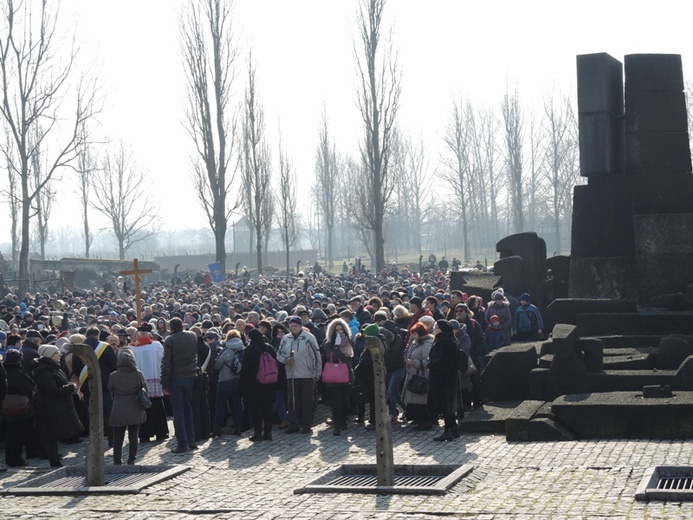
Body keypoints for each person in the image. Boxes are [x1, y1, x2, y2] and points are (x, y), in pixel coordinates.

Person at [32, 344, 83, 467]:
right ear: (50, 356)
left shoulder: (53, 367)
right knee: (51, 435)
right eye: (56, 353)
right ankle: (54, 461)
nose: (59, 355)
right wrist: (70, 387)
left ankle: (55, 459)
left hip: (58, 406)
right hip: (51, 407)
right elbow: (52, 390)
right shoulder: (45, 371)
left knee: (54, 435)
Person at [276, 316, 322, 434]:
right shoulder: (286, 338)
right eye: (291, 326)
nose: (293, 328)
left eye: (295, 326)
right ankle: (293, 424)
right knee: (292, 400)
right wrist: (286, 360)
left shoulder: (309, 338)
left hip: (306, 373)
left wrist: (317, 373)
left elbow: (316, 356)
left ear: (301, 326)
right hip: (291, 374)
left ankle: (307, 424)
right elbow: (279, 354)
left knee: (306, 400)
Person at [161, 317, 199, 453]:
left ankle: (182, 443)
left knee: (178, 411)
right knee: (188, 408)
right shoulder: (192, 336)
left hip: (176, 377)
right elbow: (195, 353)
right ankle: (191, 440)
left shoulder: (169, 340)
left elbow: (166, 363)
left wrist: (164, 383)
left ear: (170, 328)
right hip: (190, 375)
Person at [108, 348, 147, 465]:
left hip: (119, 406)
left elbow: (110, 389)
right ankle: (131, 459)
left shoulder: (114, 375)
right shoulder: (138, 374)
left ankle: (117, 459)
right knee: (133, 436)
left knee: (118, 436)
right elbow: (145, 389)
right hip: (135, 406)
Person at [130, 323, 168, 443]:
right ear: (150, 334)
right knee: (157, 406)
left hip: (139, 381)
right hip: (155, 380)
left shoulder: (131, 348)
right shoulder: (157, 346)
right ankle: (160, 433)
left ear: (138, 335)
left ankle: (144, 435)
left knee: (141, 407)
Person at [240, 328, 278, 441]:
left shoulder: (250, 350)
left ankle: (258, 433)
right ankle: (268, 432)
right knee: (268, 407)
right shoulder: (269, 347)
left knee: (255, 409)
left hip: (254, 384)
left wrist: (241, 386)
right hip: (269, 382)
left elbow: (245, 369)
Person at [427, 320, 460, 441]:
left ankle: (448, 430)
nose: (435, 329)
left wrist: (431, 363)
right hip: (444, 377)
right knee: (448, 405)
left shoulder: (446, 341)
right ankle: (453, 428)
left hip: (444, 377)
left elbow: (445, 361)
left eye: (436, 327)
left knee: (446, 404)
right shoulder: (445, 339)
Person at [2, 349, 35, 467]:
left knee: (10, 433)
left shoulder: (4, 370)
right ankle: (16, 459)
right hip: (19, 405)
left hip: (6, 405)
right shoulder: (17, 371)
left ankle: (10, 458)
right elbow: (30, 387)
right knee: (17, 433)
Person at [322, 318, 353, 436]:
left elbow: (349, 357)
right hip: (333, 376)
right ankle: (337, 425)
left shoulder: (347, 341)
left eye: (341, 330)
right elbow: (332, 358)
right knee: (336, 401)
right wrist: (336, 346)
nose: (339, 332)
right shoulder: (328, 343)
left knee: (345, 400)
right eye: (337, 330)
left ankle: (343, 420)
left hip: (345, 374)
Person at [212, 329, 245, 437]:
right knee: (238, 404)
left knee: (220, 405)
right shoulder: (243, 349)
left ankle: (218, 429)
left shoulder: (225, 351)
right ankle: (239, 427)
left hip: (225, 381)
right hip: (239, 381)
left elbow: (217, 366)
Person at [402, 322, 434, 430]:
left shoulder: (426, 344)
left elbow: (427, 361)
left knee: (421, 399)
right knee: (415, 398)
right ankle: (417, 418)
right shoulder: (416, 343)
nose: (413, 337)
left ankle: (425, 421)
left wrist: (413, 362)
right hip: (413, 374)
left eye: (415, 334)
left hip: (421, 375)